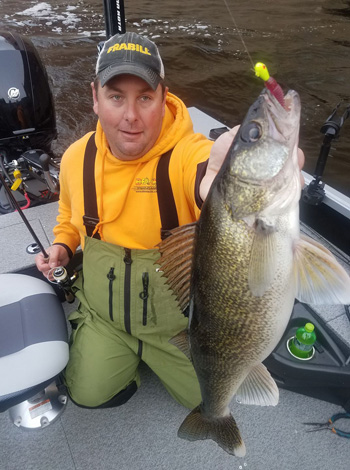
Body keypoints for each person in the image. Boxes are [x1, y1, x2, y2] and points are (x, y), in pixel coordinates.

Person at [36, 31, 304, 410]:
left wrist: (224, 179)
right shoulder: (74, 159)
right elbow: (68, 215)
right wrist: (63, 245)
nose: (130, 116)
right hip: (106, 316)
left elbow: (204, 179)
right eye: (116, 97)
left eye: (145, 97)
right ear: (95, 98)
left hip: (173, 325)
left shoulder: (186, 155)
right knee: (86, 393)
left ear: (164, 99)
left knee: (206, 396)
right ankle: (119, 355)